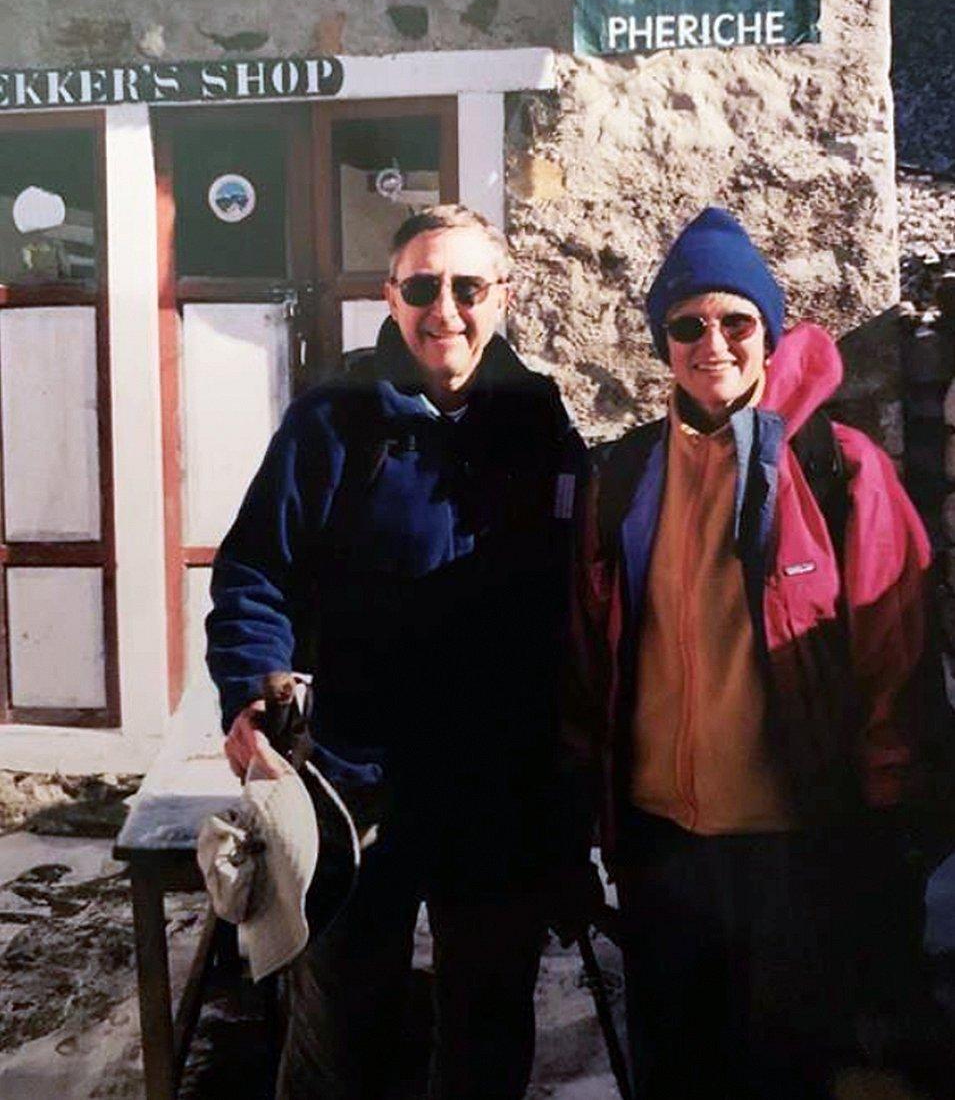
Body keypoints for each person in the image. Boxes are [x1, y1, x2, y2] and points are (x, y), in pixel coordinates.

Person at [206, 204, 588, 1100]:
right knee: (342, 1028)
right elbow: (257, 567)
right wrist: (249, 692)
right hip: (352, 782)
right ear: (389, 294)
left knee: (488, 1028)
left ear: (504, 296)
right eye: (421, 286)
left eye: (466, 287)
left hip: (496, 784)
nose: (443, 310)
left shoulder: (539, 426)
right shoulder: (330, 421)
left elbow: (579, 585)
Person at [580, 206, 935, 1100]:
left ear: (769, 335)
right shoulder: (622, 478)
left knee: (784, 1077)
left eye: (735, 321)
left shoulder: (840, 470)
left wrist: (888, 823)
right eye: (686, 324)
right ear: (661, 340)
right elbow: (591, 654)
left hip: (792, 850)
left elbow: (893, 657)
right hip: (662, 848)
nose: (712, 343)